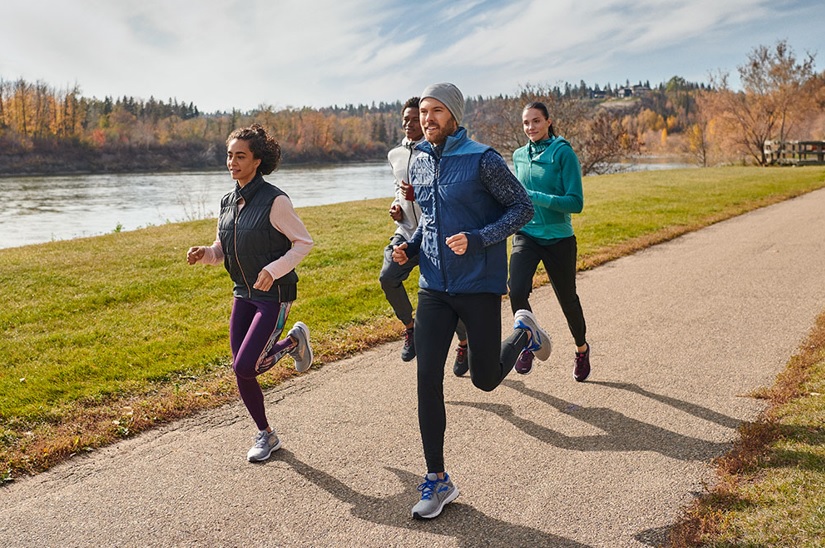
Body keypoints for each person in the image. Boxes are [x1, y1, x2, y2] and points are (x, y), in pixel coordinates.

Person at [392, 83, 552, 520]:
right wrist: (406, 248)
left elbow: (522, 209)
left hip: (479, 285)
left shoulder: (483, 159)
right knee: (428, 378)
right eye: (423, 111)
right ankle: (437, 479)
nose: (427, 119)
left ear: (455, 116)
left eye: (437, 111)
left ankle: (524, 333)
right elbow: (424, 220)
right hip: (434, 288)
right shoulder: (419, 159)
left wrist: (479, 238)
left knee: (484, 380)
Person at [186, 124, 314, 463]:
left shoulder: (276, 201)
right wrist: (206, 253)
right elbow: (224, 249)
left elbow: (304, 243)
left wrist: (273, 271)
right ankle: (266, 434)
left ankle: (290, 343)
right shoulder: (227, 201)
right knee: (241, 369)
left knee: (246, 365)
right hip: (243, 293)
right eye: (229, 155)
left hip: (274, 294)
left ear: (257, 161)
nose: (232, 162)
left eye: (240, 156)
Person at [380, 97, 469, 374]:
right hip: (406, 232)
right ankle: (410, 329)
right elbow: (399, 187)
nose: (408, 124)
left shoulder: (436, 153)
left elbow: (447, 193)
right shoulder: (395, 154)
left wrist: (417, 195)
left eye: (413, 118)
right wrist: (398, 206)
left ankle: (465, 342)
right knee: (387, 277)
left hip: (435, 235)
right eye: (405, 119)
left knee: (444, 295)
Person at [509, 101, 591, 381]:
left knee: (567, 299)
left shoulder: (563, 153)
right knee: (516, 288)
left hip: (558, 238)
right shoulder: (518, 155)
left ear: (548, 122)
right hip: (527, 234)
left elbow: (575, 202)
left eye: (535, 121)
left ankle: (581, 349)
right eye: (526, 123)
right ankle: (528, 342)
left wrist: (537, 197)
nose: (530, 127)